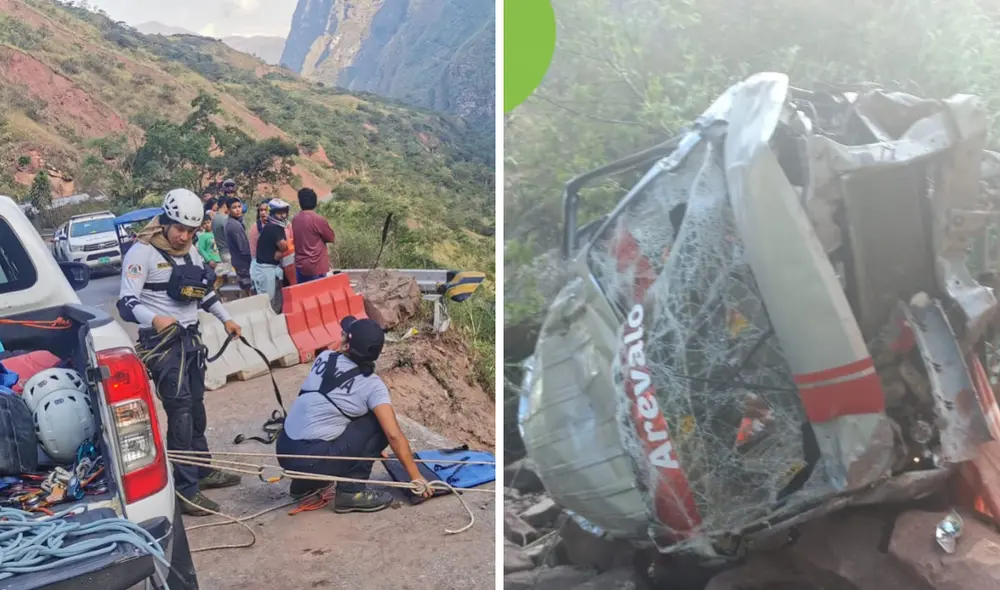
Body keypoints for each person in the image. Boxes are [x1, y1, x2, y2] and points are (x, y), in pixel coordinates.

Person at [117, 188, 243, 516]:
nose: (184, 236)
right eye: (179, 230)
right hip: (162, 346)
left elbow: (202, 295)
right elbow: (127, 302)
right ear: (165, 222)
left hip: (190, 342)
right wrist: (155, 319)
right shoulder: (141, 253)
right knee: (181, 415)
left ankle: (202, 471)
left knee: (196, 409)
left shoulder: (191, 252)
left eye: (190, 231)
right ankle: (186, 490)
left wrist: (227, 320)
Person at [277, 316, 433, 512]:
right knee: (379, 422)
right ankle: (351, 492)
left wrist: (366, 446)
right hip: (310, 462)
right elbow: (393, 435)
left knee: (335, 415)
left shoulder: (324, 357)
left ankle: (304, 484)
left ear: (346, 344)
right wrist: (415, 477)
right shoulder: (372, 386)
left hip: (285, 451)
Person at [250, 198, 290, 311]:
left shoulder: (273, 226)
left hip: (270, 267)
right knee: (268, 301)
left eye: (284, 212)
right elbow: (284, 246)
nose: (282, 215)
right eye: (279, 213)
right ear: (272, 213)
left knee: (274, 297)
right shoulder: (274, 227)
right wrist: (283, 249)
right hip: (265, 269)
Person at [291, 188, 335, 283]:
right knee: (319, 294)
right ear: (315, 202)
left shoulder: (295, 219)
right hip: (317, 266)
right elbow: (331, 238)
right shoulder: (318, 220)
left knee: (303, 294)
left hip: (300, 266)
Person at [224, 197, 253, 293]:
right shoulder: (233, 225)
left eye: (239, 207)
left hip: (239, 261)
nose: (238, 210)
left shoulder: (235, 222)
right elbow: (243, 248)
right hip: (242, 263)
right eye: (234, 207)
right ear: (228, 210)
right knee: (247, 288)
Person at [196, 214, 224, 290]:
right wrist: (209, 260)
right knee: (212, 279)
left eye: (208, 222)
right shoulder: (203, 236)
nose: (207, 225)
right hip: (211, 261)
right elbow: (201, 249)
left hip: (220, 259)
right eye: (204, 224)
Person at [211, 196, 230, 263]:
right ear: (225, 205)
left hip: (221, 253)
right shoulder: (225, 219)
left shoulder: (214, 219)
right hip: (228, 253)